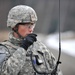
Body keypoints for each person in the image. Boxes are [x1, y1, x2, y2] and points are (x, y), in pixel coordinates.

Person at [0, 5, 62, 75]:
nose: (31, 29)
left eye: (32, 25)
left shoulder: (41, 48)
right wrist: (23, 48)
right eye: (27, 25)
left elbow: (57, 71)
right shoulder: (3, 50)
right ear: (14, 26)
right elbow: (5, 72)